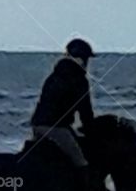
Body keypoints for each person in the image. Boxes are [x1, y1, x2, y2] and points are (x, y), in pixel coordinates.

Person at [30, 38, 95, 175]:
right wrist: (90, 130)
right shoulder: (79, 80)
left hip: (38, 125)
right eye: (86, 59)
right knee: (81, 163)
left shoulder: (54, 75)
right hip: (56, 128)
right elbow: (85, 112)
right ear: (81, 59)